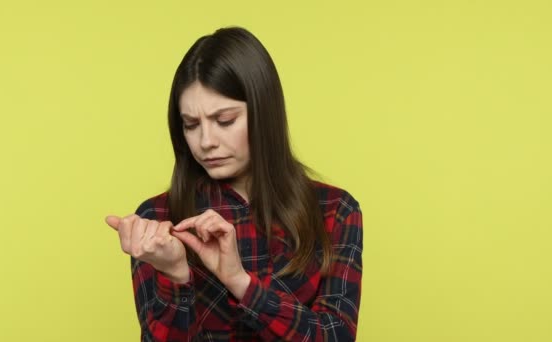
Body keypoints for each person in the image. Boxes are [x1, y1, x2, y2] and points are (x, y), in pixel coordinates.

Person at [105, 26, 363, 341]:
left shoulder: (334, 210)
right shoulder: (158, 220)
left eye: (224, 121)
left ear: (264, 112)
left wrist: (241, 283)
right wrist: (173, 276)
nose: (206, 141)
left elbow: (336, 335)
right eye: (191, 125)